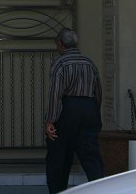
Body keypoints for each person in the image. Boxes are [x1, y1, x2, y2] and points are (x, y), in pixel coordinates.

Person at [44, 28, 104, 193]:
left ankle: (58, 190)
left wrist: (50, 120)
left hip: (67, 110)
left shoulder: (60, 63)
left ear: (61, 44)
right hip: (89, 108)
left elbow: (55, 95)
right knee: (91, 155)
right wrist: (93, 112)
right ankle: (102, 189)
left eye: (57, 43)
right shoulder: (89, 63)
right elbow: (98, 92)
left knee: (59, 155)